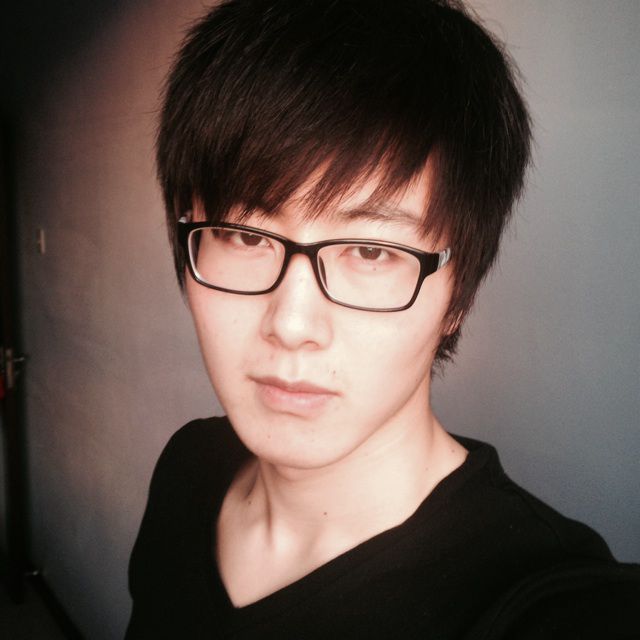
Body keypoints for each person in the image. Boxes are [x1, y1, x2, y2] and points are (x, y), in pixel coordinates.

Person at [126, 1, 640, 637]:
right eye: (246, 236)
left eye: (371, 251)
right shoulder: (188, 468)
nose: (292, 324)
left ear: (459, 297)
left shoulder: (545, 603)